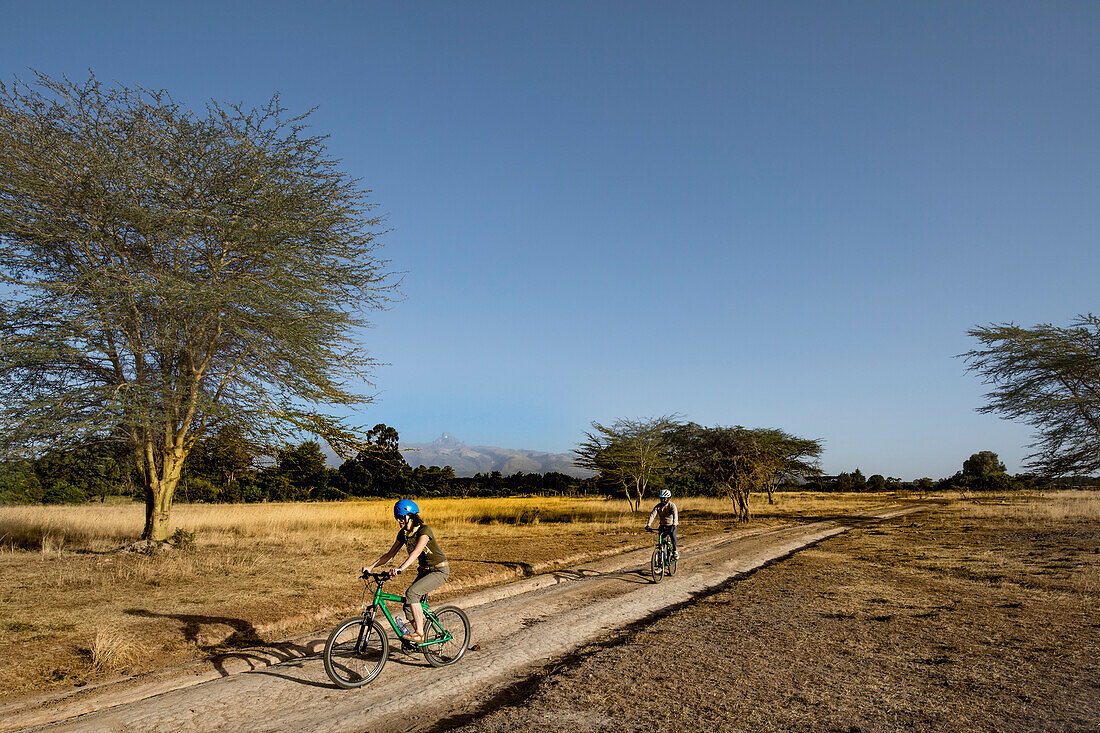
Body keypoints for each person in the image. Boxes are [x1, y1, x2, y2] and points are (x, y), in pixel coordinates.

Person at [362, 499, 449, 643]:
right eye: (397, 517)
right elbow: (390, 555)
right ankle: (420, 638)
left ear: (411, 516)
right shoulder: (403, 534)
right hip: (424, 571)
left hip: (439, 570)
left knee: (412, 593)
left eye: (401, 517)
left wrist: (401, 568)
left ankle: (420, 634)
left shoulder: (424, 530)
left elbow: (416, 552)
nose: (398, 520)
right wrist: (371, 566)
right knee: (408, 606)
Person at [644, 489, 679, 559]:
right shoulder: (658, 506)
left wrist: (674, 524)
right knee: (661, 543)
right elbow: (653, 515)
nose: (663, 500)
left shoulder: (672, 506)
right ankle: (661, 562)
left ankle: (675, 551)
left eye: (664, 498)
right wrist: (648, 525)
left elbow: (675, 515)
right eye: (661, 498)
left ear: (669, 498)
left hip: (672, 526)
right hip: (663, 526)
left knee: (673, 536)